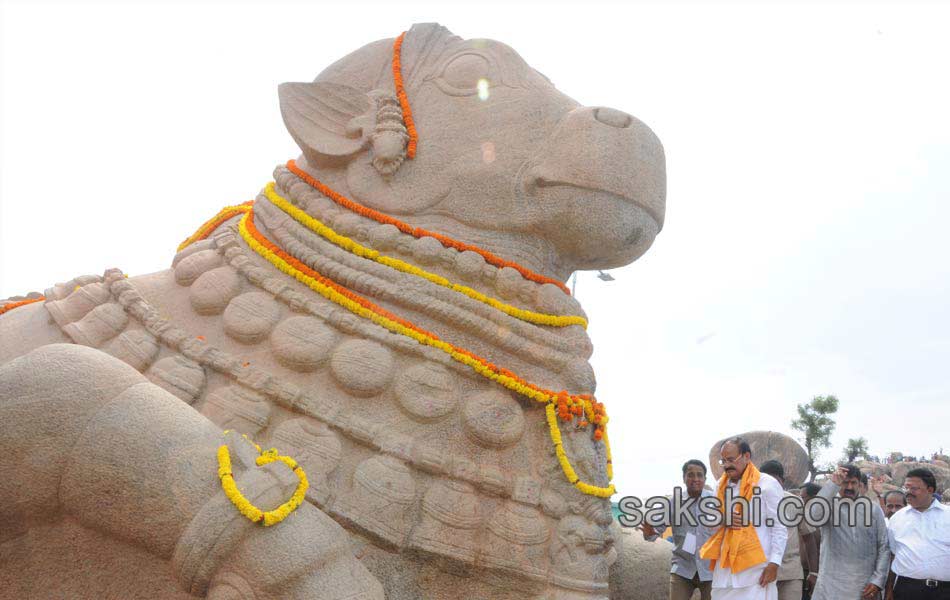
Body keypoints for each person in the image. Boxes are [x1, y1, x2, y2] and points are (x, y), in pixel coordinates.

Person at [700, 437, 787, 600]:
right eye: (723, 461)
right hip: (725, 572)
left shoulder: (767, 484)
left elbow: (779, 526)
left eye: (731, 459)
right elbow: (709, 523)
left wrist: (775, 563)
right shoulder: (720, 486)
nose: (726, 465)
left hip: (756, 572)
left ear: (746, 456)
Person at [810, 464, 889, 600]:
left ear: (860, 484)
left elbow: (884, 546)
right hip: (831, 587)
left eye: (854, 483)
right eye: (845, 483)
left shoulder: (873, 509)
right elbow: (813, 517)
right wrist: (832, 484)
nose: (849, 487)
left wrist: (878, 580)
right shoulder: (829, 505)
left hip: (864, 587)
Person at [642, 459, 714, 600]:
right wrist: (650, 532)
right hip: (682, 569)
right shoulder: (673, 502)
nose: (695, 479)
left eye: (699, 475)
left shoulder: (716, 501)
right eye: (690, 475)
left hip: (711, 570)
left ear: (705, 479)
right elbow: (655, 531)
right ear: (684, 478)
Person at [758, 460, 819, 600]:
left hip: (790, 574)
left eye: (774, 480)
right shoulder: (751, 503)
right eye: (766, 480)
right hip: (761, 574)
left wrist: (813, 572)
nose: (770, 485)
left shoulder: (795, 502)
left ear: (782, 481)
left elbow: (809, 538)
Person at [887, 468, 950, 599]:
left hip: (945, 591)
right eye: (906, 488)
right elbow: (893, 555)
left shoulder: (948, 515)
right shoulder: (897, 518)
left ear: (930, 490)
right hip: (907, 589)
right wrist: (889, 589)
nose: (908, 493)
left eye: (914, 488)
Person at [800, 483, 823, 599]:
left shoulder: (823, 520)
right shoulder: (800, 517)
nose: (800, 502)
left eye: (803, 498)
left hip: (816, 574)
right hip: (801, 572)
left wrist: (814, 573)